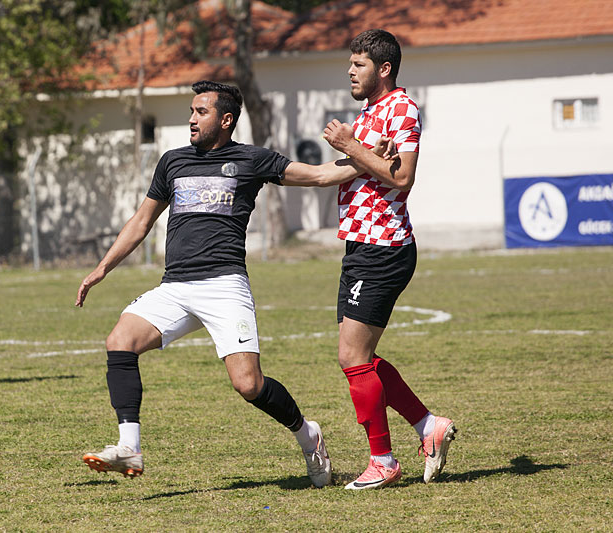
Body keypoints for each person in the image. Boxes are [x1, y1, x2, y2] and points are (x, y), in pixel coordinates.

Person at [75, 80, 395, 487]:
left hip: (225, 285)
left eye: (201, 112)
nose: (191, 119)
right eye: (191, 111)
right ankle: (129, 446)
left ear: (226, 120)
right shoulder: (172, 162)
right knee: (120, 340)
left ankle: (307, 433)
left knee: (248, 385)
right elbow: (141, 222)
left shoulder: (251, 159)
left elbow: (317, 175)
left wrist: (365, 157)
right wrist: (102, 268)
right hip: (175, 286)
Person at [317, 29, 457, 489]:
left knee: (352, 356)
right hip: (359, 246)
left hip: (384, 248)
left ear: (384, 69)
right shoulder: (371, 111)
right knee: (360, 356)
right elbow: (362, 168)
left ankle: (383, 461)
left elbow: (403, 177)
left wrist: (350, 146)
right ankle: (428, 426)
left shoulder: (402, 108)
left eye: (357, 65)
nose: (349, 71)